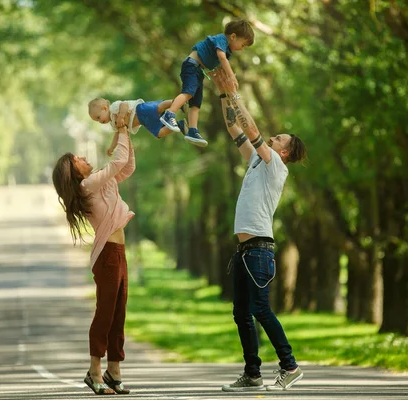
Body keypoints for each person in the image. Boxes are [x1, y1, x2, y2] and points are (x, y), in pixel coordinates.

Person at [210, 68, 307, 392]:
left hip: (260, 249)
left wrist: (235, 92)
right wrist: (224, 93)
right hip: (245, 251)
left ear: (284, 153)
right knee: (241, 313)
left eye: (279, 138)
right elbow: (234, 127)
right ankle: (252, 374)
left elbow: (251, 128)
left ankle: (289, 365)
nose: (273, 136)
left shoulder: (275, 165)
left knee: (260, 309)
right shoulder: (256, 160)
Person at [52, 126, 135, 396]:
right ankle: (94, 371)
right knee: (105, 313)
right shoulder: (89, 185)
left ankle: (114, 370)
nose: (85, 159)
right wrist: (121, 128)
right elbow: (118, 161)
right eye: (78, 159)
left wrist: (126, 135)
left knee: (118, 313)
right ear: (76, 173)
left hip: (119, 254)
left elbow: (127, 166)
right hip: (108, 256)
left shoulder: (102, 182)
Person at [159, 19, 255, 148]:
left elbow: (220, 65)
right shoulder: (222, 40)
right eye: (243, 45)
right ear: (233, 36)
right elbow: (221, 58)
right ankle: (169, 113)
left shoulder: (227, 50)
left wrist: (224, 80)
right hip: (192, 66)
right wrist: (232, 76)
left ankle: (192, 130)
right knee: (188, 93)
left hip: (199, 71)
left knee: (196, 103)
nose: (242, 49)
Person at [88, 97, 190, 156]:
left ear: (105, 108)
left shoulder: (114, 108)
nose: (99, 121)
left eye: (98, 117)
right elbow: (117, 136)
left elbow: (124, 105)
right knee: (159, 133)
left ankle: (178, 103)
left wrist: (121, 116)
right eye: (97, 120)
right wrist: (111, 147)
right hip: (144, 121)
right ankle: (180, 125)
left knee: (158, 108)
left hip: (140, 110)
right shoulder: (113, 125)